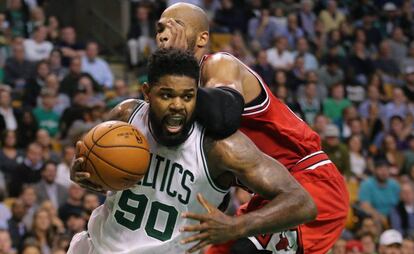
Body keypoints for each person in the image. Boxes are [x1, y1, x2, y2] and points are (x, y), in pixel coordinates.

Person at [67, 49, 316, 253]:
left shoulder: (221, 147)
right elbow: (92, 170)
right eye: (166, 95)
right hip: (95, 247)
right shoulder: (126, 115)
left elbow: (302, 202)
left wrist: (239, 226)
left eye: (187, 97)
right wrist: (82, 174)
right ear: (147, 93)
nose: (177, 105)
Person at [155, 3, 348, 253]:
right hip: (268, 193)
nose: (165, 33)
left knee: (244, 250)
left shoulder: (220, 64)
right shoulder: (172, 97)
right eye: (160, 28)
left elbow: (224, 118)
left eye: (176, 25)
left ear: (203, 37)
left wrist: (175, 65)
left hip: (309, 182)